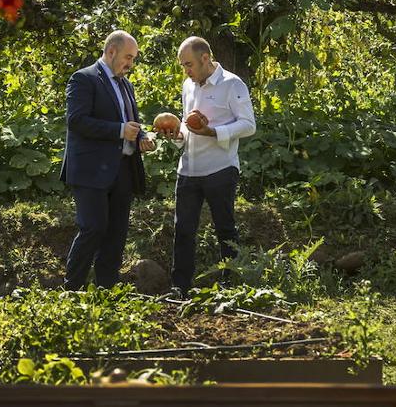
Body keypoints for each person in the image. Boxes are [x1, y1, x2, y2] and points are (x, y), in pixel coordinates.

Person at [59, 30, 155, 290]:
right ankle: (72, 290)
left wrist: (141, 137)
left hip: (123, 168)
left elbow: (129, 120)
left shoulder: (126, 84)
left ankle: (107, 291)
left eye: (133, 59)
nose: (130, 64)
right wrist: (119, 130)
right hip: (90, 169)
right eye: (128, 57)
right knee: (93, 228)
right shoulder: (84, 78)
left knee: (116, 234)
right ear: (111, 51)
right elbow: (76, 121)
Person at [160, 36, 256, 294]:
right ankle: (179, 287)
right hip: (189, 168)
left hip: (220, 168)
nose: (186, 71)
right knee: (183, 230)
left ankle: (230, 285)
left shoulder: (232, 84)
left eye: (189, 64)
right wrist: (177, 135)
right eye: (182, 65)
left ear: (205, 58)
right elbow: (186, 125)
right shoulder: (187, 86)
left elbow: (248, 125)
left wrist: (213, 132)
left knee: (224, 227)